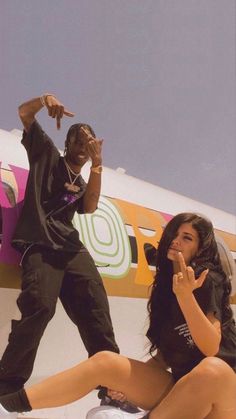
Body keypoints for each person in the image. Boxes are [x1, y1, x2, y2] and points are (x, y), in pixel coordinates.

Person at [0, 212, 235, 419]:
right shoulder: (165, 290)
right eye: (174, 234)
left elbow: (211, 347)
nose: (175, 241)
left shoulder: (206, 280)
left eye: (187, 237)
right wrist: (126, 385)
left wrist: (186, 297)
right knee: (106, 362)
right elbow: (165, 357)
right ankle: (6, 406)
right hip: (186, 394)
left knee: (212, 370)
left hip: (223, 398)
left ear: (201, 247)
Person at [0, 94, 121, 404]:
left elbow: (91, 207)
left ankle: (112, 384)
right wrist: (43, 100)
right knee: (40, 306)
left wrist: (98, 165)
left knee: (96, 308)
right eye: (78, 142)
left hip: (70, 247)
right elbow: (24, 114)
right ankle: (8, 384)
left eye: (89, 142)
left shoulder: (82, 182)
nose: (84, 147)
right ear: (67, 144)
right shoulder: (47, 156)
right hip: (40, 242)